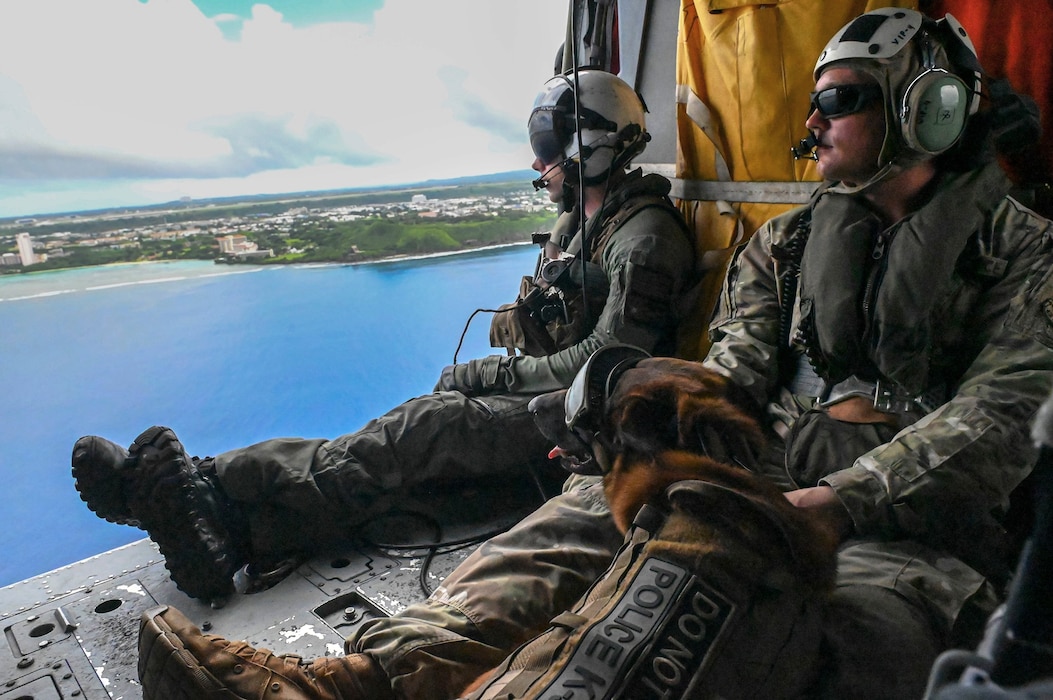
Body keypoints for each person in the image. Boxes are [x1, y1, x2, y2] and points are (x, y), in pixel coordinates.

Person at [135, 8, 1053, 700]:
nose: (810, 123)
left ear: (928, 111)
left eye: (837, 102)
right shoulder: (786, 244)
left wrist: (837, 503)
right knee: (574, 522)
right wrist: (659, 423)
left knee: (798, 631)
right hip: (765, 466)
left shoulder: (1026, 255)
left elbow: (1000, 418)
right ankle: (358, 681)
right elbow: (736, 365)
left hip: (909, 532)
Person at [71, 68, 695, 601]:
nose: (538, 161)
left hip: (594, 421)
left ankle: (204, 501)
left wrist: (490, 373)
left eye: (548, 145)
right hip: (552, 401)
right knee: (405, 440)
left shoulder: (645, 238)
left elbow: (613, 361)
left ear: (590, 145)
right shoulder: (579, 228)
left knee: (426, 427)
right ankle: (207, 501)